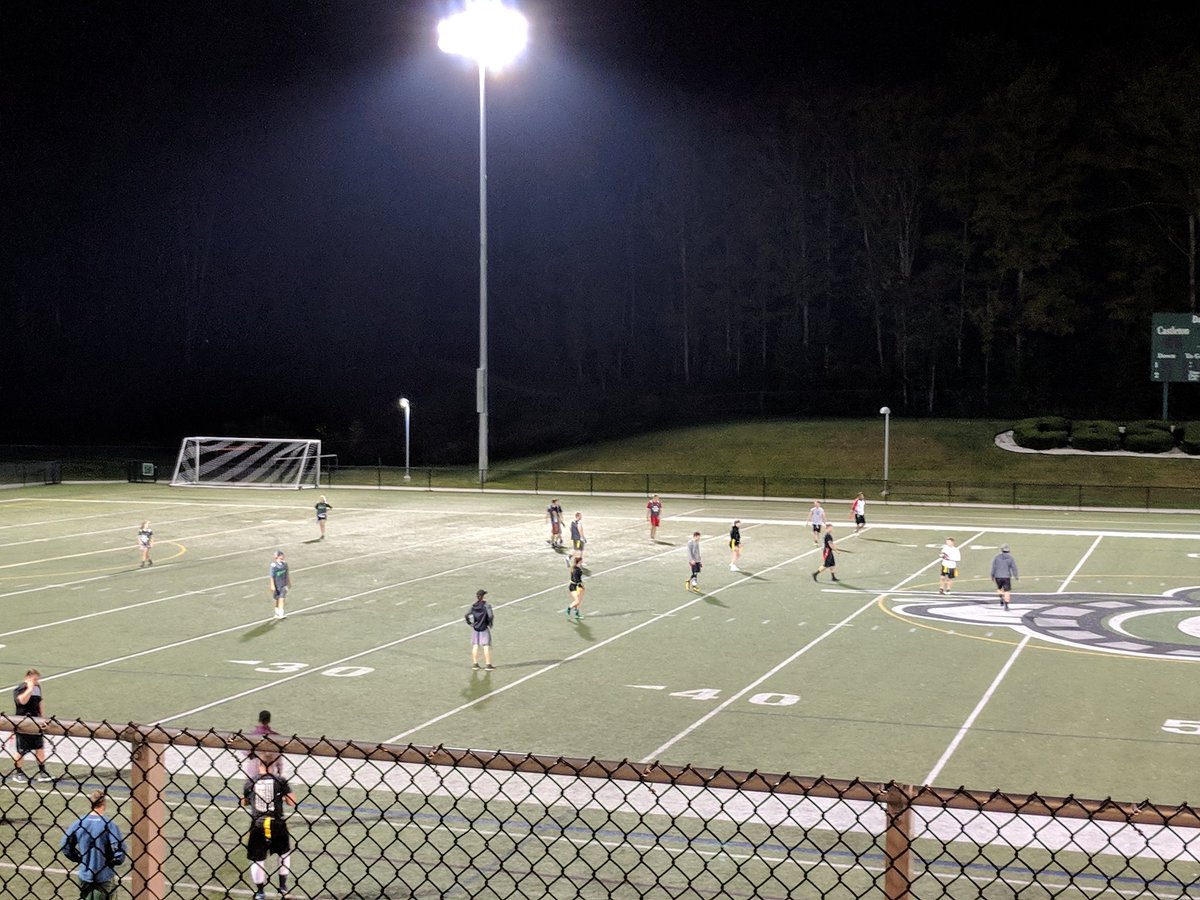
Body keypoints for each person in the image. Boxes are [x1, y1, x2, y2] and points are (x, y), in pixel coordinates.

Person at [242, 753, 297, 900]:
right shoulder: (280, 781)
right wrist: (283, 797)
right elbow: (292, 802)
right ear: (273, 766)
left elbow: (244, 801)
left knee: (257, 859)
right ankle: (283, 887)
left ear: (259, 765)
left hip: (258, 825)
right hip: (277, 823)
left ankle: (260, 892)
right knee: (284, 854)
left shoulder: (251, 782)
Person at [60, 789, 127, 899]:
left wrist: (78, 858)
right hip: (104, 875)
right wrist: (113, 861)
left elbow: (65, 846)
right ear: (104, 803)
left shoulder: (79, 823)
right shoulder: (108, 824)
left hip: (85, 874)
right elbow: (120, 850)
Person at [10, 668, 52, 783]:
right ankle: (18, 772)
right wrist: (29, 688)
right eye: (34, 679)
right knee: (21, 750)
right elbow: (22, 701)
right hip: (23, 724)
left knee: (40, 748)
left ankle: (42, 772)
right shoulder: (20, 689)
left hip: (36, 724)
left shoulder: (37, 689)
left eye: (37, 680)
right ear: (27, 678)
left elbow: (40, 702)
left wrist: (42, 718)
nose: (37, 682)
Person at [243, 710, 285, 785]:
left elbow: (245, 752)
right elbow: (278, 756)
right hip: (270, 768)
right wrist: (279, 769)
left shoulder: (252, 736)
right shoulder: (275, 737)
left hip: (253, 769)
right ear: (269, 720)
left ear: (259, 719)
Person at [465, 589, 495, 670]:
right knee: (486, 646)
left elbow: (467, 615)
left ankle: (475, 664)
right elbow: (491, 616)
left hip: (476, 628)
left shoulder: (474, 606)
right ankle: (488, 664)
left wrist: (470, 623)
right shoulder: (486, 606)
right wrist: (490, 623)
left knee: (475, 645)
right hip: (484, 628)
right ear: (483, 596)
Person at [991, 543, 1019, 611]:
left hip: (998, 576)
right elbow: (1014, 567)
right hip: (1006, 577)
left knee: (999, 588)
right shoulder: (1010, 558)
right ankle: (1006, 605)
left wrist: (992, 575)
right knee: (1007, 591)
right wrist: (1016, 575)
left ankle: (1001, 597)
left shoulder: (996, 557)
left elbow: (993, 567)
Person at [269, 550, 290, 620]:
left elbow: (287, 573)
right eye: (280, 557)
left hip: (283, 584)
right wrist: (272, 585)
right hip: (276, 584)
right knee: (277, 599)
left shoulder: (285, 564)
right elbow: (271, 576)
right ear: (277, 557)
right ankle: (277, 612)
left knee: (282, 598)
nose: (282, 558)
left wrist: (288, 582)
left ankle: (281, 612)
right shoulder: (274, 566)